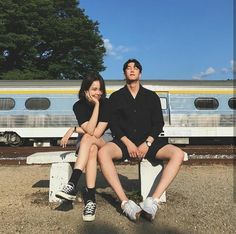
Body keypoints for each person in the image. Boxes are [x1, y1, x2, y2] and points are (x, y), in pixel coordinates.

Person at [98, 59, 184, 222]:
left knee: (178, 154)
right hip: (124, 142)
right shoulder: (116, 97)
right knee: (103, 153)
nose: (132, 70)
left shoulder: (151, 97)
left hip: (149, 142)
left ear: (140, 73)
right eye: (128, 68)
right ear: (124, 73)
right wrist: (128, 143)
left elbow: (158, 123)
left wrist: (148, 143)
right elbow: (114, 124)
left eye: (135, 68)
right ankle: (125, 203)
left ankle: (152, 201)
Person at [56, 73, 111, 222]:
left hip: (104, 140)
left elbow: (96, 132)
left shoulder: (106, 104)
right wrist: (76, 129)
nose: (98, 93)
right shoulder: (78, 106)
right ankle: (90, 199)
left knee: (88, 138)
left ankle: (72, 183)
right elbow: (89, 129)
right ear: (85, 90)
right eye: (94, 89)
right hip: (88, 143)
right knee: (91, 148)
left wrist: (98, 105)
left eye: (100, 89)